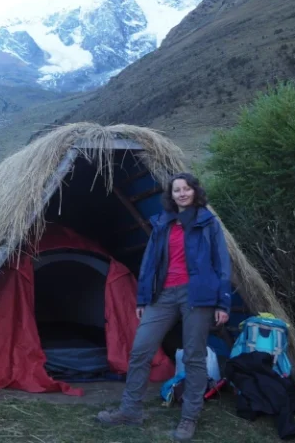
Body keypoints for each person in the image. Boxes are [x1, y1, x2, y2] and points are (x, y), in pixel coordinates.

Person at [97, 172, 233, 441]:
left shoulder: (208, 223)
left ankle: (189, 418)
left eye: (186, 189)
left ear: (195, 192)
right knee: (140, 350)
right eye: (176, 190)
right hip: (164, 295)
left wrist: (223, 302)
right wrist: (143, 298)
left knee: (194, 356)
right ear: (170, 195)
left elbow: (222, 264)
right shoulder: (163, 224)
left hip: (199, 296)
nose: (181, 193)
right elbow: (149, 264)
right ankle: (130, 410)